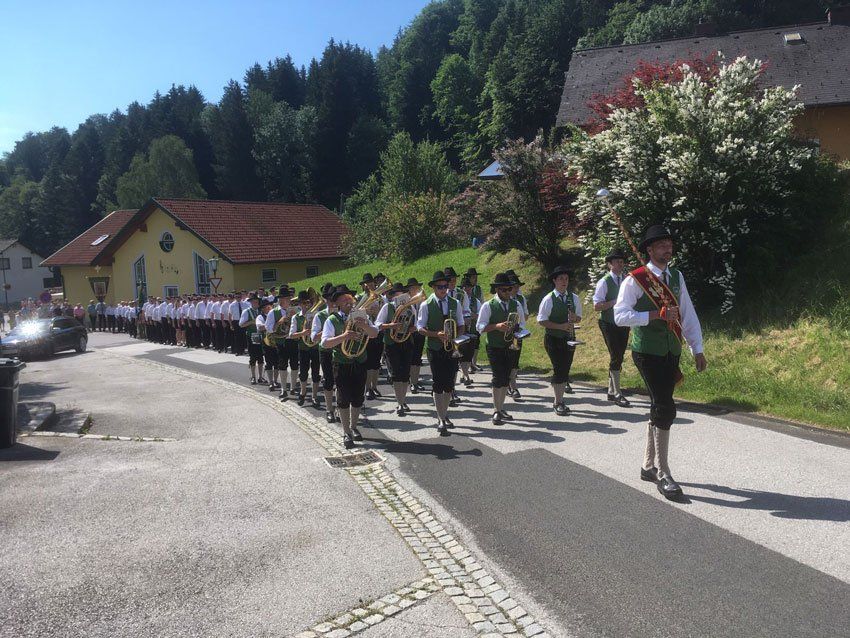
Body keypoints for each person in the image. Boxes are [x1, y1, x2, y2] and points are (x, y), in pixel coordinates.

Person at [614, 225, 707, 500]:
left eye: (669, 244)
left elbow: (687, 313)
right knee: (665, 407)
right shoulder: (636, 280)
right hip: (647, 351)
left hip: (671, 350)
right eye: (661, 245)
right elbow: (620, 316)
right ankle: (663, 473)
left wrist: (697, 349)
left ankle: (647, 465)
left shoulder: (676, 276)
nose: (668, 249)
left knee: (659, 404)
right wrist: (655, 315)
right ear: (650, 249)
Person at [321, 285, 379, 449]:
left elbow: (374, 333)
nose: (348, 301)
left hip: (359, 361)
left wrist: (364, 326)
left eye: (349, 298)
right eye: (343, 299)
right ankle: (346, 432)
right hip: (341, 363)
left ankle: (354, 427)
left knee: (358, 398)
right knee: (343, 399)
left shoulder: (361, 316)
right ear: (337, 303)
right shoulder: (332, 320)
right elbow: (325, 343)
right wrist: (344, 336)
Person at [417, 271, 465, 436]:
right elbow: (420, 328)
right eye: (440, 287)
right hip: (435, 348)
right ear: (434, 288)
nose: (443, 289)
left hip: (451, 348)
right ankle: (441, 418)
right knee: (438, 383)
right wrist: (436, 334)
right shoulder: (426, 305)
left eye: (445, 286)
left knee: (449, 384)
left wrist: (456, 336)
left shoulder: (455, 303)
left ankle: (444, 414)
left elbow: (461, 324)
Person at [476, 272, 526, 425]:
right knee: (498, 378)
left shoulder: (516, 304)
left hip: (510, 345)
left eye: (509, 289)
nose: (507, 292)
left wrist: (518, 331)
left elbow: (522, 325)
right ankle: (496, 410)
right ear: (497, 290)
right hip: (495, 346)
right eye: (504, 290)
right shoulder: (488, 305)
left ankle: (501, 407)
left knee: (506, 378)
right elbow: (480, 327)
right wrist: (496, 326)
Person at [538, 266, 583, 415]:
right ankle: (558, 402)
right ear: (554, 281)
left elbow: (579, 318)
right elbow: (542, 320)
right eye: (561, 279)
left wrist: (574, 318)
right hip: (553, 338)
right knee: (559, 368)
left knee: (566, 368)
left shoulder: (574, 298)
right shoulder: (548, 299)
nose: (564, 281)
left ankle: (560, 398)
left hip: (569, 338)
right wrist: (560, 326)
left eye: (566, 279)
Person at [593, 249, 631, 407]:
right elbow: (597, 306)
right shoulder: (604, 282)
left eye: (622, 261)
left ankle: (610, 391)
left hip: (623, 322)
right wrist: (615, 301)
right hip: (608, 323)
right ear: (610, 264)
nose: (620, 264)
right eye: (617, 261)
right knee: (616, 355)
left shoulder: (627, 280)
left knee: (619, 355)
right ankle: (617, 393)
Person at [376, 282, 414, 417]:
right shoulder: (387, 307)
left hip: (406, 342)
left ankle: (403, 400)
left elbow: (416, 324)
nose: (400, 297)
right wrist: (390, 325)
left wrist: (413, 328)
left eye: (402, 294)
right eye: (397, 295)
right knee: (396, 374)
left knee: (405, 374)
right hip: (392, 343)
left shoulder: (410, 307)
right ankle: (400, 403)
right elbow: (377, 325)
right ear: (393, 296)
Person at [289, 290, 322, 408]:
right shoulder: (296, 317)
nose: (307, 305)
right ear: (299, 304)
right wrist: (302, 333)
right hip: (303, 348)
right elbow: (291, 335)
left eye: (308, 302)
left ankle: (314, 396)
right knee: (303, 372)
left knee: (316, 372)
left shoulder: (317, 315)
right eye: (304, 303)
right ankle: (303, 393)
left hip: (315, 347)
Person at [312, 284, 338, 423]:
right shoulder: (319, 315)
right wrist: (327, 330)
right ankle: (329, 409)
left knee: (340, 382)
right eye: (330, 300)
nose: (333, 302)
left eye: (334, 299)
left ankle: (340, 407)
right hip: (326, 352)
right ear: (326, 300)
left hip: (340, 352)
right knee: (328, 381)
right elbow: (313, 337)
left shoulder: (343, 314)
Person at [458, 275, 480, 386]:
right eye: (465, 287)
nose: (467, 289)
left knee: (468, 354)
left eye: (469, 287)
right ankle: (466, 375)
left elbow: (480, 316)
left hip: (472, 330)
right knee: (462, 353)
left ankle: (464, 374)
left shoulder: (476, 301)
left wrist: (472, 316)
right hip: (461, 330)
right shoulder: (458, 299)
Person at [406, 277, 427, 394]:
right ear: (409, 290)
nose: (416, 290)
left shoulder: (421, 302)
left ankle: (415, 381)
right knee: (410, 357)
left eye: (417, 288)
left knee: (417, 358)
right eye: (413, 288)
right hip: (409, 333)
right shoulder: (406, 301)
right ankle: (411, 382)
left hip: (419, 332)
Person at [239, 295, 266, 385]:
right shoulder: (246, 311)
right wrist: (251, 322)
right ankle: (253, 376)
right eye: (254, 302)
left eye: (257, 302)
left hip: (261, 336)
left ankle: (260, 377)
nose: (256, 303)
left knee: (261, 357)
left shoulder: (261, 311)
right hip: (252, 336)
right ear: (250, 302)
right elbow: (241, 324)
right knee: (253, 357)